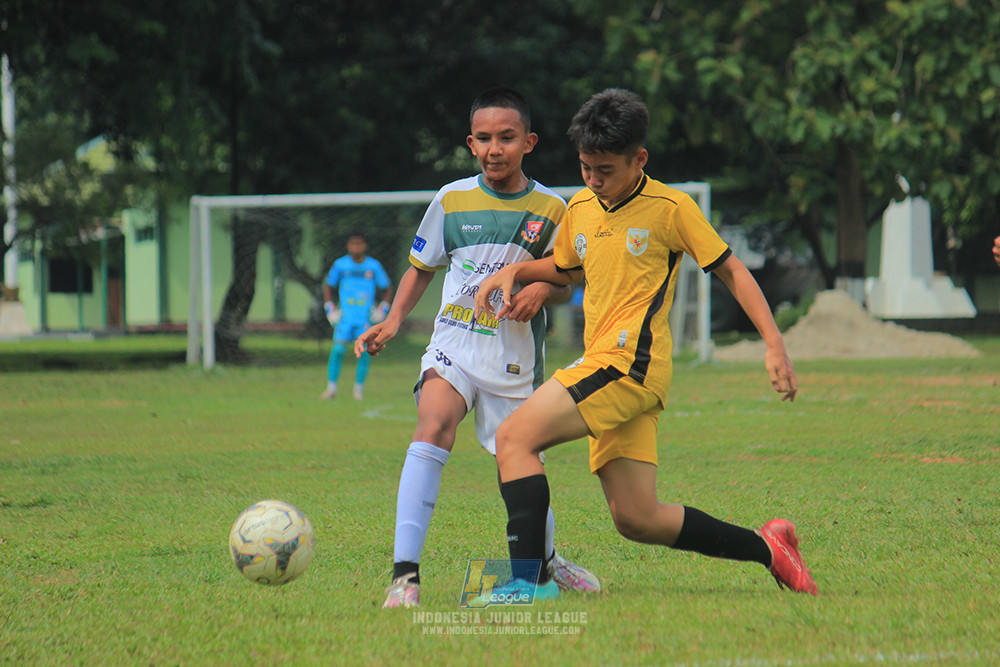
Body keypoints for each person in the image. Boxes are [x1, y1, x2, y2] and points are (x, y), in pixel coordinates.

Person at [473, 88, 818, 600]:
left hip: (628, 365)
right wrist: (516, 271)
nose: (593, 179)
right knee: (637, 518)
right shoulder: (581, 206)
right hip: (613, 369)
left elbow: (732, 271)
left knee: (514, 438)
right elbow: (566, 268)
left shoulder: (671, 208)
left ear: (640, 159)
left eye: (605, 170)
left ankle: (528, 584)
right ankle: (770, 548)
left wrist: (774, 344)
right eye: (585, 167)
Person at [356, 86, 601, 608]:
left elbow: (568, 278)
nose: (495, 148)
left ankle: (545, 562)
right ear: (470, 143)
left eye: (507, 138)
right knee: (433, 425)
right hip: (454, 346)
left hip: (514, 360)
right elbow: (421, 268)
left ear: (529, 142)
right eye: (484, 138)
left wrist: (541, 290)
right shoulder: (451, 199)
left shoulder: (553, 209)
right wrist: (392, 320)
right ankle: (404, 578)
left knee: (519, 460)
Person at [321, 231, 394, 401]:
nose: (356, 247)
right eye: (352, 243)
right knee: (338, 350)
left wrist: (382, 309)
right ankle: (331, 389)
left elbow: (387, 288)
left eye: (359, 243)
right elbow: (328, 286)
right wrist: (330, 309)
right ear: (348, 245)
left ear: (365, 245)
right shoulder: (340, 265)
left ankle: (358, 390)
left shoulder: (373, 266)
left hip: (364, 319)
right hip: (345, 318)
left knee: (364, 353)